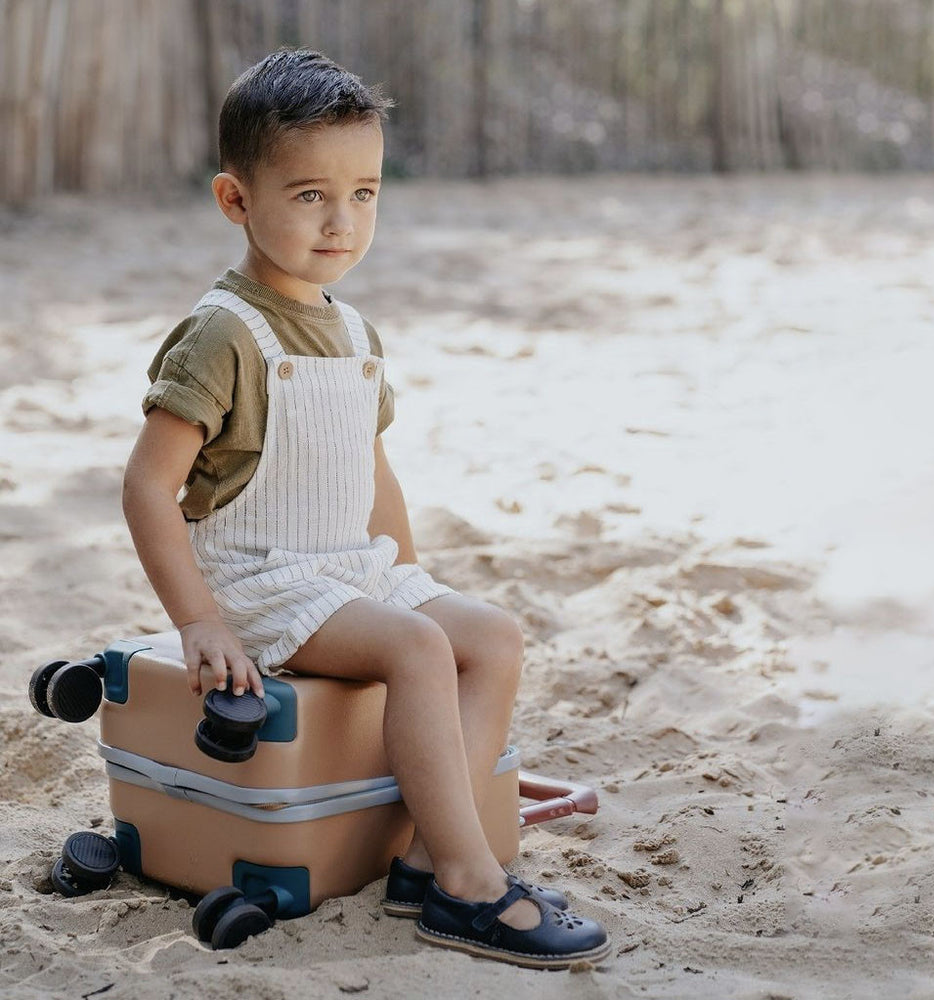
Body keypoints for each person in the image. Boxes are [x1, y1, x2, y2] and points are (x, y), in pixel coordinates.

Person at [121, 48, 610, 969]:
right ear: (236, 200)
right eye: (309, 196)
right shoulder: (224, 331)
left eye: (366, 193)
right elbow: (148, 485)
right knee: (417, 649)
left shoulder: (352, 328)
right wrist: (198, 623)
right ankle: (470, 887)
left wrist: (410, 580)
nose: (342, 221)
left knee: (491, 634)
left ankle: (429, 861)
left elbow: (370, 468)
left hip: (347, 566)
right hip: (259, 580)